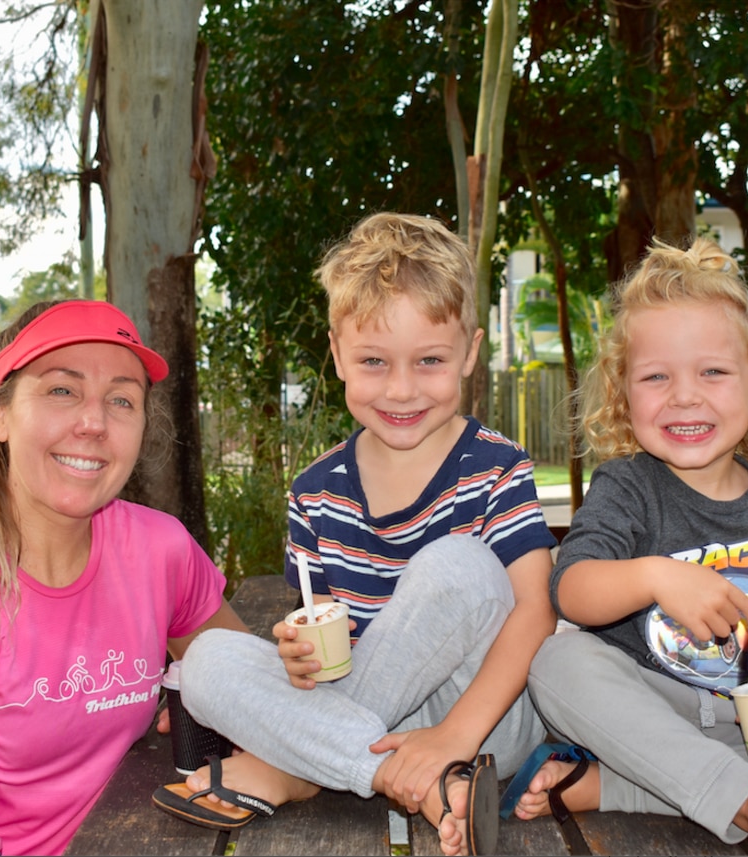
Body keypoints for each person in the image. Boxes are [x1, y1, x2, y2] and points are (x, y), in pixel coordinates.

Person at [153, 212, 557, 856]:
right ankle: (412, 783)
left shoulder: (496, 466)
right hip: (351, 717)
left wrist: (455, 735)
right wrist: (297, 650)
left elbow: (535, 611)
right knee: (205, 661)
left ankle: (295, 767)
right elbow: (321, 632)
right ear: (338, 353)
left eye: (430, 361)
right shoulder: (315, 491)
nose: (401, 389)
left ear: (471, 353)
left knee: (459, 565)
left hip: (482, 722)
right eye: (373, 361)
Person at [502, 237, 748, 856]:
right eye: (655, 377)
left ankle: (616, 789)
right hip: (636, 716)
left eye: (713, 372)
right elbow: (571, 590)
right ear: (625, 400)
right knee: (556, 665)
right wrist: (653, 576)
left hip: (734, 727)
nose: (684, 395)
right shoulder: (627, 485)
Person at [0, 300, 250, 856]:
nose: (93, 423)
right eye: (62, 390)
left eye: (121, 399)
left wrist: (212, 700)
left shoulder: (160, 550)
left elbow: (249, 688)